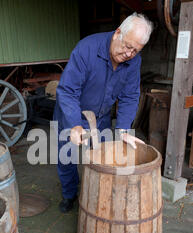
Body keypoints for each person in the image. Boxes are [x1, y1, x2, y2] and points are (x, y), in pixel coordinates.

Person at [53, 13, 154, 213]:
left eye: (135, 50)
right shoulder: (87, 49)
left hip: (101, 116)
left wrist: (124, 129)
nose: (129, 54)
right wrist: (75, 124)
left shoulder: (134, 61)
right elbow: (67, 90)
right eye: (127, 47)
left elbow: (130, 95)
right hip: (72, 112)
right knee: (67, 155)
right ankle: (69, 194)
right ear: (118, 33)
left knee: (101, 157)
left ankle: (99, 195)